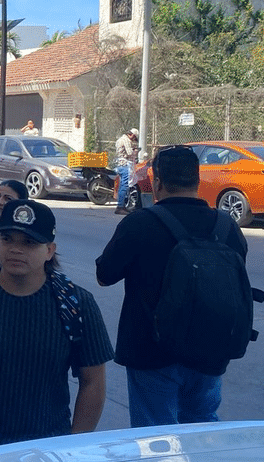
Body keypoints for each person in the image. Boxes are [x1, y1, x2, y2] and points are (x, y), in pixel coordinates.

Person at [0, 199, 114, 458]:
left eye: (29, 242)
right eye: (7, 239)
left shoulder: (75, 304)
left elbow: (93, 382)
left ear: (49, 250)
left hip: (46, 450)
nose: (16, 249)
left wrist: (72, 449)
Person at [96, 145, 248, 427]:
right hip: (210, 349)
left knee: (155, 435)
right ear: (197, 179)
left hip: (152, 351)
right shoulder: (227, 227)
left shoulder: (140, 223)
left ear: (157, 183)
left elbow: (104, 276)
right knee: (202, 427)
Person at [113, 127, 140, 215]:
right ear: (132, 135)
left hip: (120, 164)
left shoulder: (120, 139)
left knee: (122, 185)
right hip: (125, 164)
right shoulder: (126, 140)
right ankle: (120, 206)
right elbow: (129, 153)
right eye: (134, 137)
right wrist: (136, 151)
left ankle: (122, 205)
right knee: (124, 185)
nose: (134, 140)